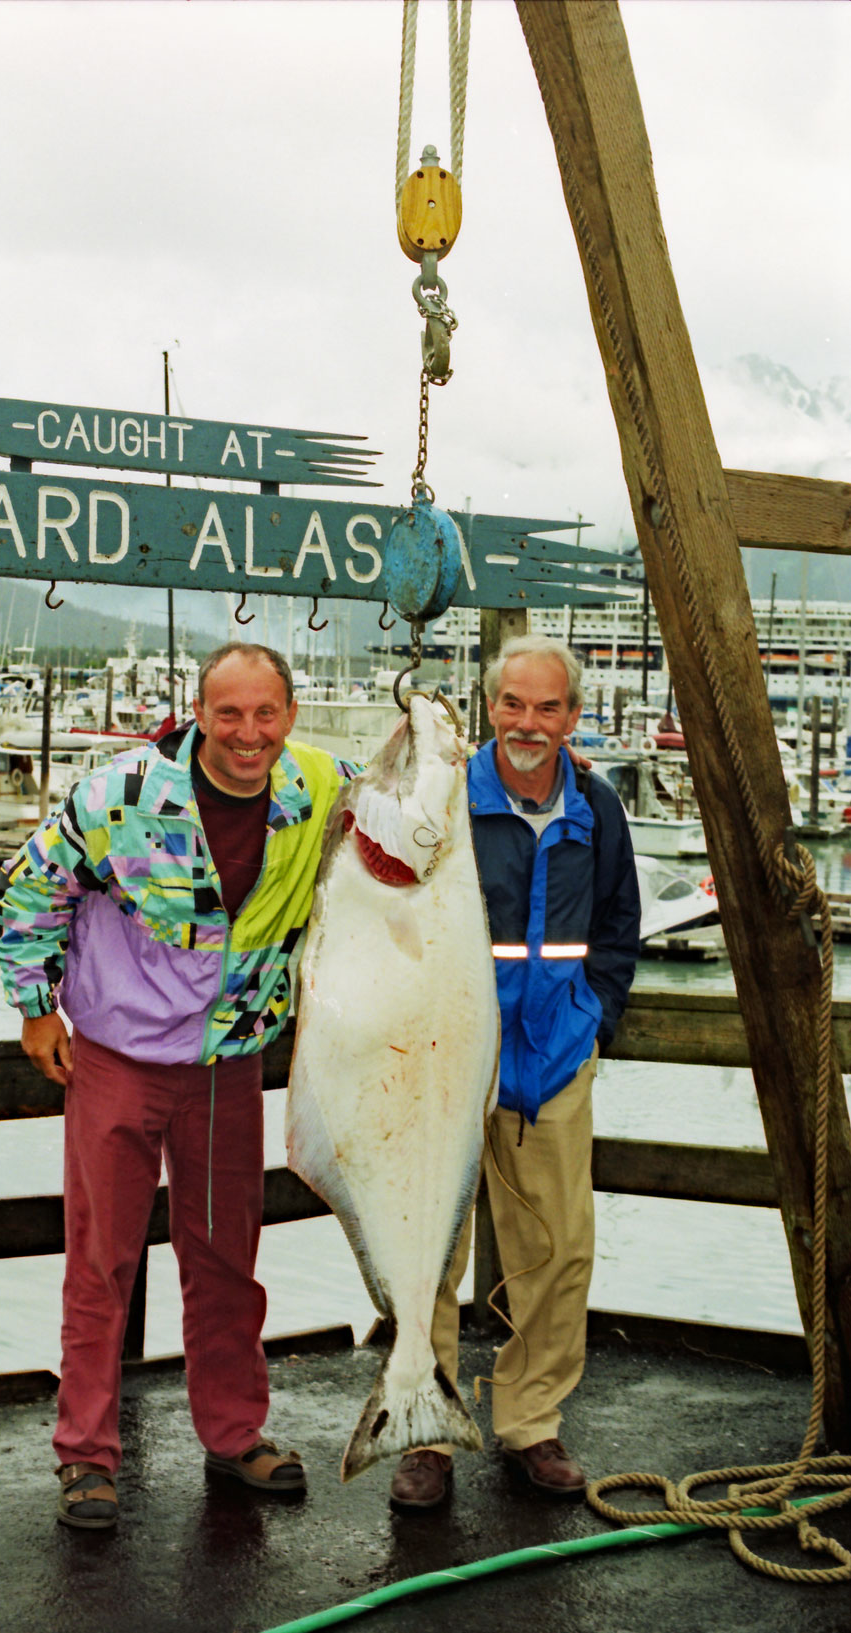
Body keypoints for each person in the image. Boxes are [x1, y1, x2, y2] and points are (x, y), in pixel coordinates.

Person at [0, 642, 357, 1527]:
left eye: (265, 714)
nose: (247, 733)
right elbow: (32, 884)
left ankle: (235, 1432)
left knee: (226, 1257)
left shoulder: (316, 787)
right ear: (199, 711)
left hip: (229, 1065)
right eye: (228, 713)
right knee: (102, 1260)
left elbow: (414, 797)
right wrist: (38, 1007)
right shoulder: (120, 793)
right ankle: (86, 1453)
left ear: (290, 718)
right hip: (117, 1062)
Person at [389, 634, 641, 1510]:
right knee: (432, 1254)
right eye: (512, 704)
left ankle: (531, 1421)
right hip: (450, 1064)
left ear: (573, 715)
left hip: (556, 1060)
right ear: (489, 706)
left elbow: (617, 929)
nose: (528, 723)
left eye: (547, 707)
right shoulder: (448, 800)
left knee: (559, 1250)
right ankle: (428, 1432)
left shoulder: (600, 809)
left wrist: (594, 1017)